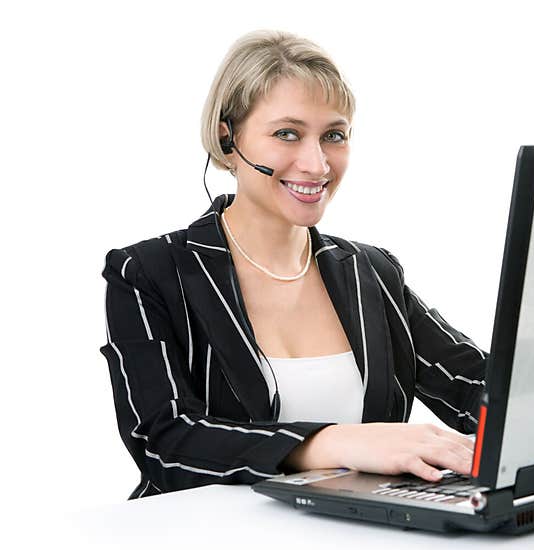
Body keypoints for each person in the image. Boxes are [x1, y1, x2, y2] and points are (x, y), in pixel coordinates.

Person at [100, 30, 488, 500]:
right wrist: (333, 441)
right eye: (288, 133)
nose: (317, 163)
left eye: (334, 136)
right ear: (229, 139)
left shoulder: (372, 272)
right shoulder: (148, 272)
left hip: (357, 547)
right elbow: (163, 443)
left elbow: (476, 390)